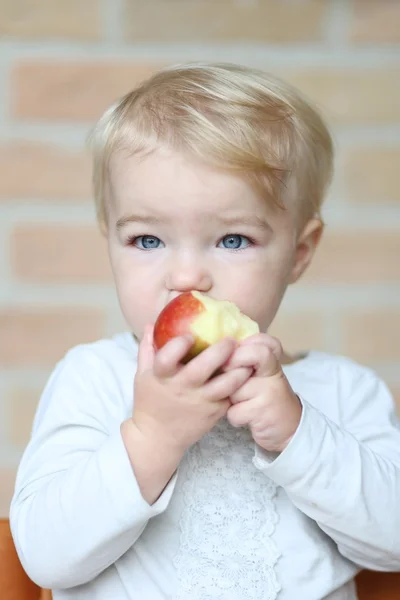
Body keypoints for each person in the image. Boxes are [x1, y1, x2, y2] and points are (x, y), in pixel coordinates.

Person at [10, 62, 400, 600]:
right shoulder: (94, 379)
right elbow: (45, 558)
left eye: (233, 239)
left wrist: (298, 434)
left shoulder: (345, 390)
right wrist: (152, 436)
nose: (187, 276)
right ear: (110, 242)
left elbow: (394, 542)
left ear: (299, 254)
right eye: (147, 240)